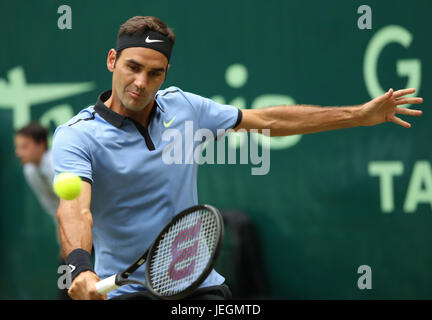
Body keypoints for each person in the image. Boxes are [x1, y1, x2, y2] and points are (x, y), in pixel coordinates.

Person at [51, 16, 423, 300]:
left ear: (166, 74)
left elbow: (268, 120)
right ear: (113, 60)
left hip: (196, 286)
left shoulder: (185, 107)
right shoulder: (77, 135)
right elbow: (75, 209)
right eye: (133, 67)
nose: (141, 82)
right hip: (125, 293)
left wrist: (359, 114)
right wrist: (79, 266)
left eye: (154, 73)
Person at [14, 122, 70, 300]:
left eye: (24, 147)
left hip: (93, 219)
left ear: (41, 145)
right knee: (66, 274)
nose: (19, 153)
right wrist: (62, 234)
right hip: (68, 223)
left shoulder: (57, 165)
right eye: (18, 147)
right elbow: (52, 205)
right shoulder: (29, 170)